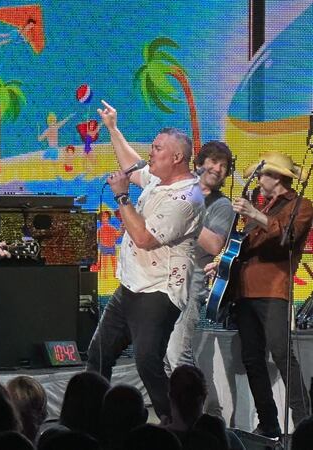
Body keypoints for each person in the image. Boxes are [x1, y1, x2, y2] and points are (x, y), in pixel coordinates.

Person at [86, 100, 204, 419]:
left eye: (157, 148)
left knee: (148, 363)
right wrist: (112, 128)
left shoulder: (186, 198)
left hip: (159, 291)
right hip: (132, 286)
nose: (151, 152)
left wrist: (122, 197)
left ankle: (175, 423)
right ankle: (91, 418)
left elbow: (144, 237)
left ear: (177, 157)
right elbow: (133, 165)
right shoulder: (158, 179)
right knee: (98, 353)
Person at [221, 152, 312, 438]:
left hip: (273, 289)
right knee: (252, 358)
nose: (258, 181)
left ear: (278, 178)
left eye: (262, 175)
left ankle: (304, 424)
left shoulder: (302, 206)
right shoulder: (265, 207)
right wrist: (223, 262)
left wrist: (255, 214)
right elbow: (245, 248)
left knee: (282, 354)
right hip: (245, 292)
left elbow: (287, 237)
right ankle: (269, 423)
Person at [165, 141, 235, 371]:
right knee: (162, 354)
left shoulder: (222, 205)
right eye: (214, 161)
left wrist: (191, 211)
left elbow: (215, 245)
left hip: (191, 279)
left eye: (224, 166)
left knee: (178, 353)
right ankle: (171, 406)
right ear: (199, 163)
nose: (218, 168)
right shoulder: (178, 189)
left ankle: (193, 405)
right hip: (163, 275)